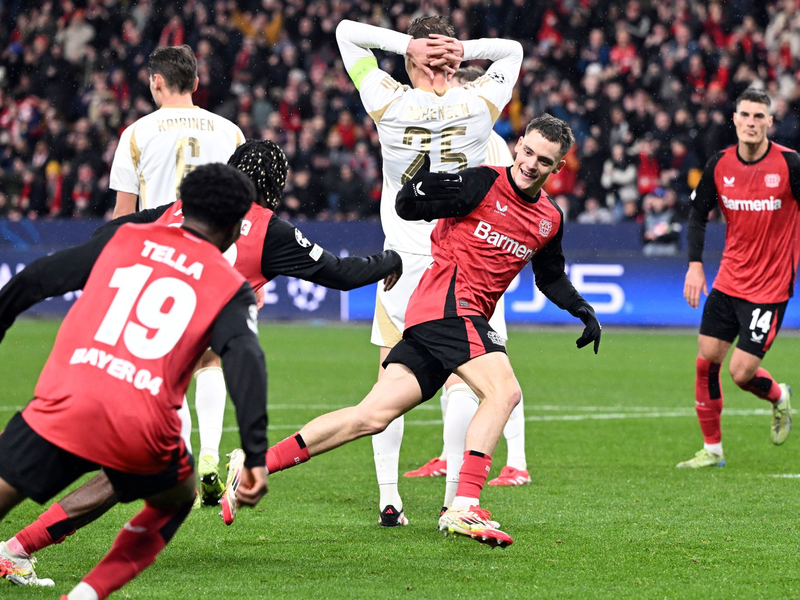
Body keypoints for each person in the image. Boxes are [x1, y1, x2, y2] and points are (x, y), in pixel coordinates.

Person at [0, 140, 402, 587]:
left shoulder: (159, 219)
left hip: (78, 376)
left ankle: (15, 549)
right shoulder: (257, 244)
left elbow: (55, 266)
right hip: (145, 395)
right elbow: (332, 283)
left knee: (36, 477)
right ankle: (66, 577)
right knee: (168, 489)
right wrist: (389, 260)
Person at [249, 115, 601, 547]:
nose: (531, 164)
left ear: (558, 168)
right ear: (518, 145)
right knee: (504, 392)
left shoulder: (549, 219)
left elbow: (550, 276)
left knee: (370, 416)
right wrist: (414, 190)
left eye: (544, 161)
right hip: (449, 303)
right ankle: (464, 507)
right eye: (527, 151)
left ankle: (255, 464)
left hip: (444, 316)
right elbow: (410, 208)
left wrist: (580, 307)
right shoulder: (480, 184)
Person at [0, 164, 268, 597]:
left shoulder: (123, 238)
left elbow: (35, 279)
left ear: (182, 206)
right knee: (178, 497)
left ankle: (21, 550)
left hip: (62, 404)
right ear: (239, 227)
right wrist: (255, 454)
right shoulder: (230, 286)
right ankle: (86, 593)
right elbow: (246, 361)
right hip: (141, 427)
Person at [335, 15, 524, 527]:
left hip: (401, 261)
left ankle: (389, 500)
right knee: (469, 383)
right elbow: (511, 50)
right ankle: (454, 501)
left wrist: (407, 45)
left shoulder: (388, 103)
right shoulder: (478, 105)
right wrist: (463, 48)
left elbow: (346, 32)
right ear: (455, 60)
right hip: (459, 264)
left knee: (385, 382)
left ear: (408, 60)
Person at [109, 44, 247, 505]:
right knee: (211, 360)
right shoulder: (230, 132)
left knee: (167, 371)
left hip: (160, 263)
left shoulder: (136, 133)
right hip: (217, 263)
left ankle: (185, 466)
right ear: (196, 83)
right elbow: (246, 211)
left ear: (156, 83)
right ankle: (210, 455)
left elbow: (123, 215)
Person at [404, 66, 530, 495]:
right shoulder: (466, 137)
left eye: (453, 89)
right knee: (480, 374)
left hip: (477, 269)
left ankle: (502, 465)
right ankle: (457, 457)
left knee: (482, 377)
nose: (444, 99)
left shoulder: (485, 142)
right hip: (456, 264)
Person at [679, 88, 799, 468]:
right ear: (734, 119)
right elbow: (698, 216)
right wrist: (695, 264)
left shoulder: (790, 164)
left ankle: (779, 396)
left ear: (769, 122)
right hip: (729, 281)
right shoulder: (720, 164)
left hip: (770, 288)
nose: (750, 122)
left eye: (758, 116)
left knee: (740, 373)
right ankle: (712, 450)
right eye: (744, 115)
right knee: (706, 360)